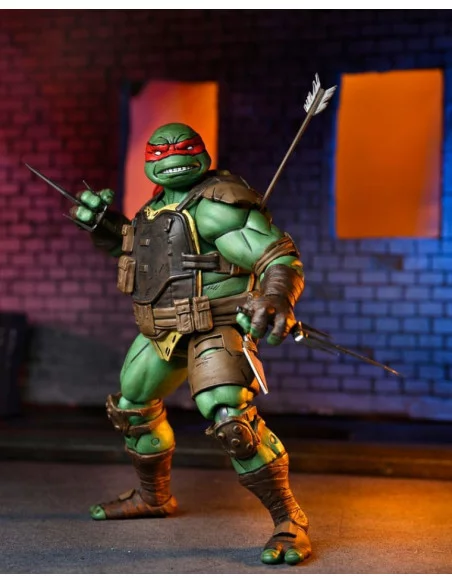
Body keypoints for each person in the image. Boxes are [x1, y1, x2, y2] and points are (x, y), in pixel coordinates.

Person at [71, 122, 311, 566]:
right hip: (162, 331)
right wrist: (104, 226)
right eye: (159, 151)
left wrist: (276, 296)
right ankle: (153, 497)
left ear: (201, 152)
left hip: (215, 326)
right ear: (148, 162)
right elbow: (141, 255)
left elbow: (277, 255)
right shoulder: (153, 209)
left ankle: (289, 520)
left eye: (182, 147)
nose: (172, 156)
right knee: (132, 409)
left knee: (232, 422)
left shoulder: (219, 204)